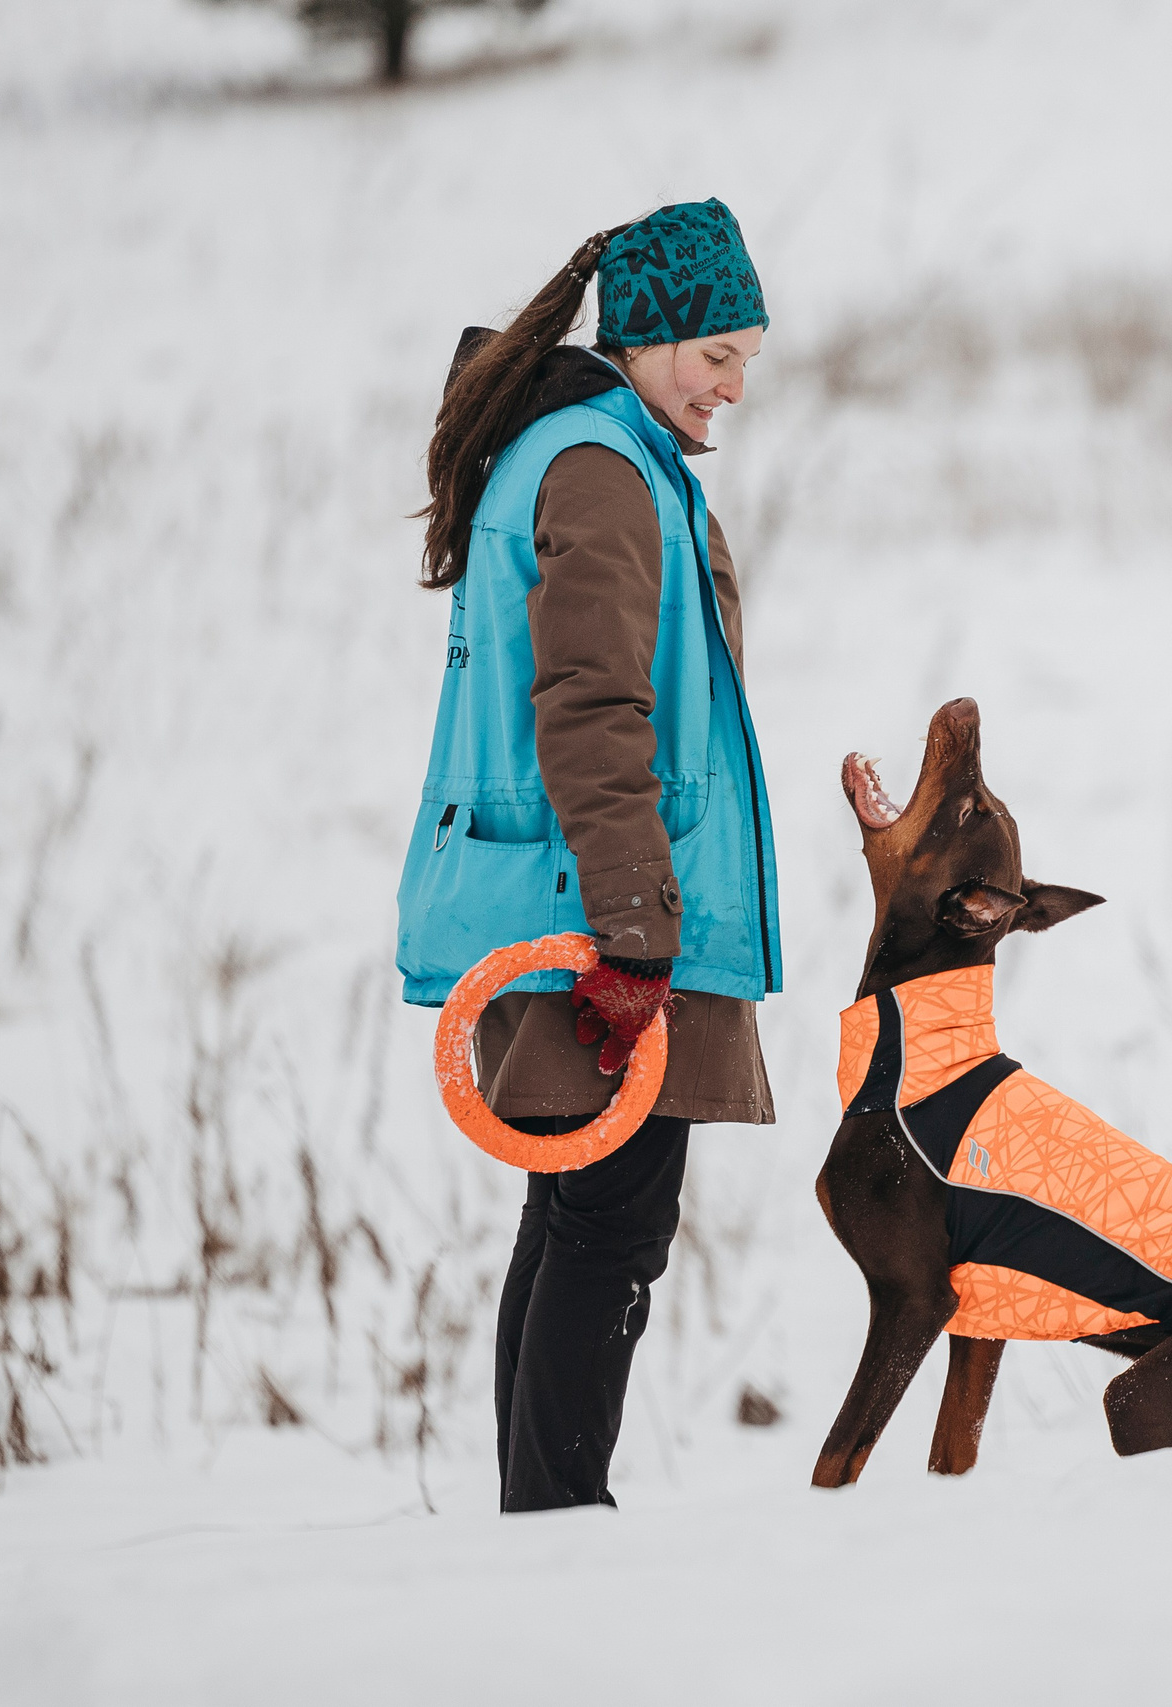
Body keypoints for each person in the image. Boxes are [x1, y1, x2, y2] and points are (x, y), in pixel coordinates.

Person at [394, 200, 782, 1512]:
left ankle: (537, 1523)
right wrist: (635, 927)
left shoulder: (583, 451)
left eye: (748, 360)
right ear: (650, 335)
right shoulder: (604, 467)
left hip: (571, 896)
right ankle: (558, 1524)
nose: (734, 387)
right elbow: (591, 706)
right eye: (718, 355)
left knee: (573, 1214)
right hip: (593, 913)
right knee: (613, 1227)